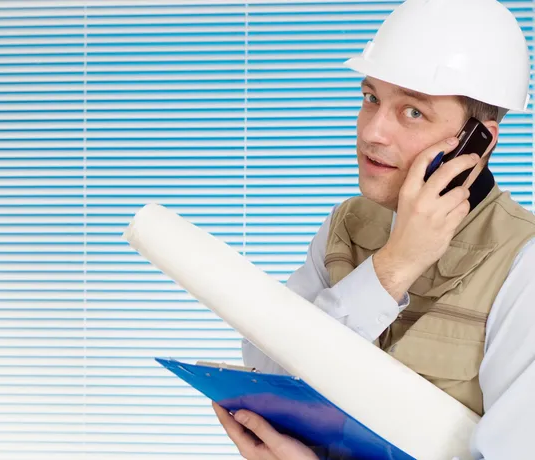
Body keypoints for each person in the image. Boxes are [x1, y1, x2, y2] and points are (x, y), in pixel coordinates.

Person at [212, 0, 535, 459]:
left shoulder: (524, 266)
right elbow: (268, 375)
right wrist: (390, 270)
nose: (373, 132)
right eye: (371, 98)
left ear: (477, 143)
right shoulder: (346, 226)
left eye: (413, 112)